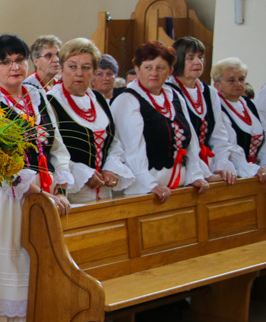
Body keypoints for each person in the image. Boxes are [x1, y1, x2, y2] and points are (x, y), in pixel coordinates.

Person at [0, 34, 72, 322]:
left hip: (42, 193)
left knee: (35, 262)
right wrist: (38, 190)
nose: (15, 67)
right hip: (4, 198)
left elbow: (55, 143)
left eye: (20, 60)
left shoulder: (35, 95)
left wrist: (60, 179)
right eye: (6, 62)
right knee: (10, 262)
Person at [110, 41, 210, 202]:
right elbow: (132, 151)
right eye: (148, 67)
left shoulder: (174, 95)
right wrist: (149, 185)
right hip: (145, 193)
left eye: (160, 68)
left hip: (179, 190)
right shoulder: (127, 100)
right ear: (137, 70)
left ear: (170, 71)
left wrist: (195, 175)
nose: (154, 73)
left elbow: (191, 140)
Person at [46, 38, 133, 203]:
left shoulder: (98, 99)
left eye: (86, 68)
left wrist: (110, 169)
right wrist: (84, 174)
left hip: (104, 191)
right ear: (61, 69)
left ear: (93, 72)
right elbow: (52, 152)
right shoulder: (50, 102)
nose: (79, 73)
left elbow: (113, 142)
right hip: (71, 193)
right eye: (72, 66)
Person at [166, 37, 246, 183]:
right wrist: (202, 172)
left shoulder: (209, 92)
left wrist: (222, 165)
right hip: (181, 166)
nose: (198, 62)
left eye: (201, 57)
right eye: (190, 58)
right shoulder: (168, 91)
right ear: (177, 60)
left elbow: (219, 136)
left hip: (208, 163)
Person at [213, 58, 266, 181]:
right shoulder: (217, 106)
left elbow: (264, 135)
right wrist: (249, 168)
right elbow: (227, 144)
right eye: (231, 80)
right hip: (232, 172)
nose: (238, 83)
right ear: (217, 85)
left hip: (256, 171)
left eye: (241, 79)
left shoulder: (249, 104)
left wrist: (263, 165)